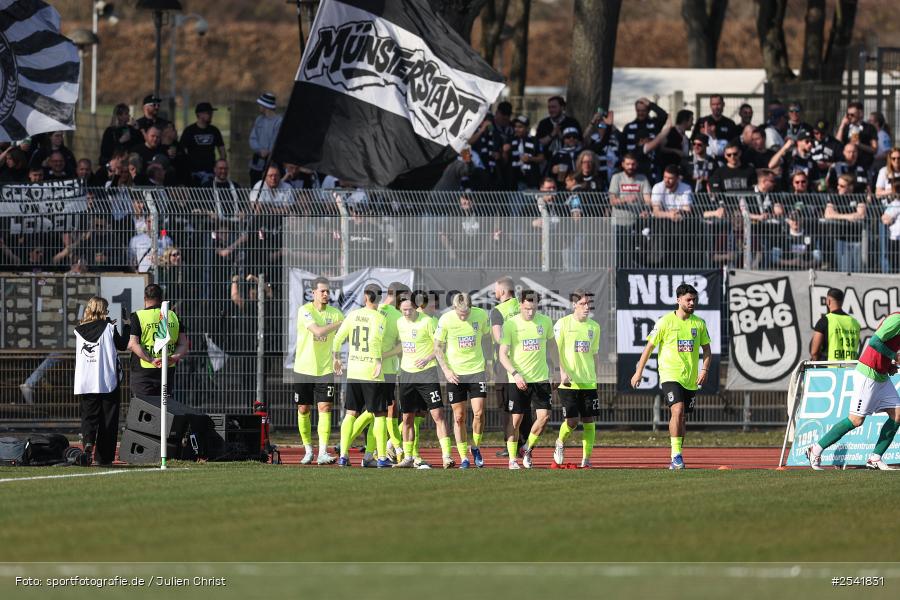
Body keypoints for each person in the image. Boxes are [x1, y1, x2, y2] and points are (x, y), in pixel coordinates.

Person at [630, 283, 712, 469]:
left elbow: (707, 350)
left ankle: (677, 455)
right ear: (678, 300)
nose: (692, 303)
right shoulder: (665, 322)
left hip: (690, 378)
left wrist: (704, 369)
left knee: (682, 417)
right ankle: (676, 456)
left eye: (694, 300)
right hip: (669, 375)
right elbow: (649, 348)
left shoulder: (699, 324)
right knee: (677, 410)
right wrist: (638, 372)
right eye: (688, 300)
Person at [806, 313, 900, 470]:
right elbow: (875, 342)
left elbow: (885, 346)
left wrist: (888, 364)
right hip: (868, 373)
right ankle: (815, 450)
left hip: (880, 375)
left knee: (897, 413)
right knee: (856, 420)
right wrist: (894, 356)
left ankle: (875, 458)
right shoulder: (897, 319)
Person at [332, 284, 389, 468]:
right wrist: (378, 361)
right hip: (372, 371)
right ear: (379, 299)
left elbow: (338, 339)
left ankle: (343, 456)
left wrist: (336, 358)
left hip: (354, 370)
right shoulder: (380, 317)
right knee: (380, 415)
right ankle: (381, 458)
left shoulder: (353, 315)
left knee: (350, 413)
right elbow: (374, 340)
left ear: (366, 296)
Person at [394, 293, 452, 469]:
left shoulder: (428, 322)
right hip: (406, 375)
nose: (406, 313)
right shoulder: (399, 322)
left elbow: (441, 346)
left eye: (409, 309)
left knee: (437, 415)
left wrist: (427, 358)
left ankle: (447, 456)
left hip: (427, 374)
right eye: (403, 310)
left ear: (416, 307)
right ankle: (408, 457)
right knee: (407, 418)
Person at [499, 289, 555, 470]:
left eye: (534, 308)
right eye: (526, 308)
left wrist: (556, 370)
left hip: (541, 378)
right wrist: (515, 374)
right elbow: (502, 355)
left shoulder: (545, 322)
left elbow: (553, 348)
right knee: (515, 420)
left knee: (544, 417)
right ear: (520, 305)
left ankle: (527, 448)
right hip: (518, 380)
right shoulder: (510, 324)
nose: (530, 312)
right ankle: (512, 460)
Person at [434, 292, 490, 469]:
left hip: (477, 371)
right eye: (460, 313)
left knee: (479, 413)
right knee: (459, 417)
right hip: (455, 374)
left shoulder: (481, 315)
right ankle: (464, 457)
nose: (463, 316)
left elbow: (488, 338)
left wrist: (489, 362)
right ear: (454, 308)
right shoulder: (445, 320)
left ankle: (476, 447)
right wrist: (446, 370)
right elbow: (437, 347)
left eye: (466, 313)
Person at [293, 277, 344, 465]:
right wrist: (339, 324)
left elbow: (339, 340)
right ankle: (308, 450)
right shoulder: (305, 310)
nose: (325, 294)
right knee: (303, 408)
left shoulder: (336, 313)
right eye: (321, 291)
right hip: (303, 368)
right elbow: (318, 332)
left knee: (325, 407)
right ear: (312, 292)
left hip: (325, 369)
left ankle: (322, 452)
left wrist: (337, 358)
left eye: (327, 291)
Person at [74, 296, 129, 466]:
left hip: (86, 380)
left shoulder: (79, 329)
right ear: (104, 310)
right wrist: (126, 325)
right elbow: (122, 344)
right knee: (108, 419)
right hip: (107, 379)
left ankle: (88, 442)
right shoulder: (109, 328)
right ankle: (103, 457)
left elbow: (93, 330)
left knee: (89, 416)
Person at [553, 289, 601, 468]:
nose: (586, 307)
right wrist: (561, 372)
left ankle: (586, 459)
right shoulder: (562, 324)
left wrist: (596, 375)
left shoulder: (594, 327)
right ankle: (559, 442)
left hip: (588, 381)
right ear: (574, 305)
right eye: (582, 304)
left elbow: (595, 354)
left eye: (588, 303)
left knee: (589, 420)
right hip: (568, 382)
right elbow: (555, 350)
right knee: (572, 421)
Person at [127, 284, 190, 400]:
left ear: (145, 298)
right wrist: (173, 358)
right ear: (162, 298)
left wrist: (151, 359)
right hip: (167, 368)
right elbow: (184, 344)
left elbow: (132, 344)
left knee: (144, 410)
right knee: (164, 409)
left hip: (143, 372)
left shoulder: (138, 316)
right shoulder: (173, 316)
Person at [179, 102, 226, 186]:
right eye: (208, 113)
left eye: (211, 113)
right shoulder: (189, 131)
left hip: (210, 172)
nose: (211, 115)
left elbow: (222, 149)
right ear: (199, 114)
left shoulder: (214, 130)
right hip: (194, 173)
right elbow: (182, 150)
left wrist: (221, 165)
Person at [809, 288, 861, 362]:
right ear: (842, 302)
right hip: (850, 370)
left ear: (828, 301)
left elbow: (814, 352)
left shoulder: (825, 320)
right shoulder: (855, 322)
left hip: (831, 370)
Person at [249, 92, 283, 185]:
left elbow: (276, 140)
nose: (259, 107)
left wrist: (268, 152)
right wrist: (259, 150)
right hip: (256, 165)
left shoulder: (279, 121)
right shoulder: (259, 119)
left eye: (261, 105)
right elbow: (252, 138)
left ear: (265, 106)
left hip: (271, 164)